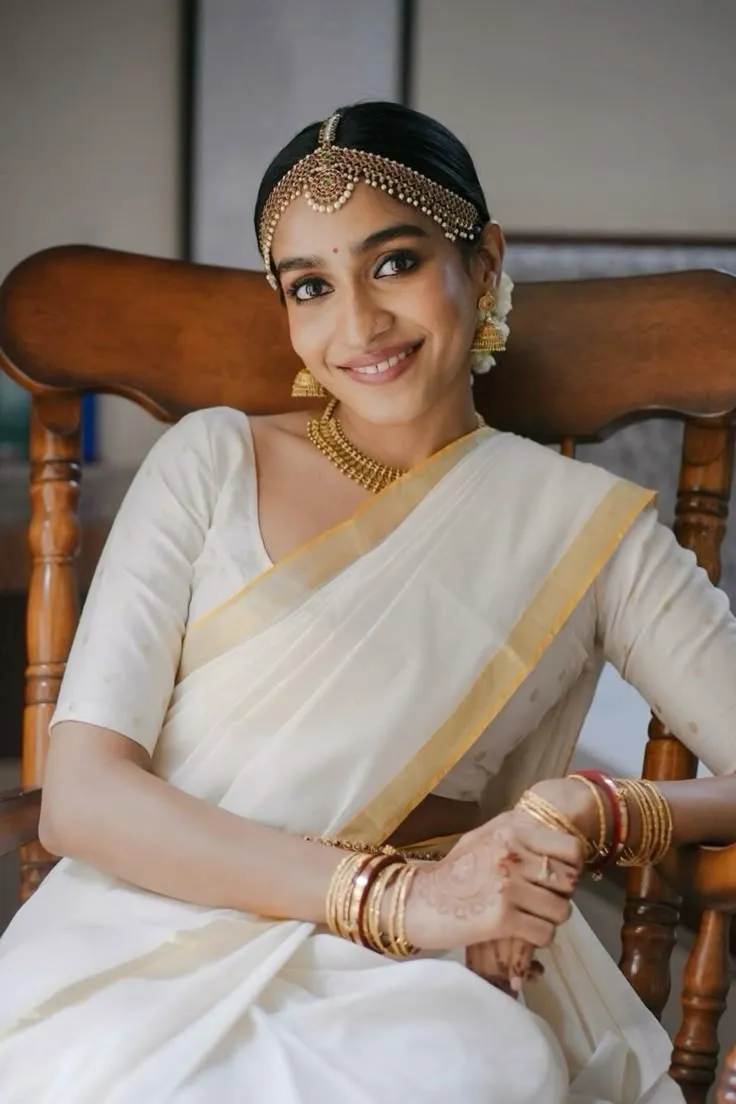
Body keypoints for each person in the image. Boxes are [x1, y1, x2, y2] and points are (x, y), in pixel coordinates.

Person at [0, 101, 735, 1104]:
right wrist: (396, 896)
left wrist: (590, 805)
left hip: (411, 977)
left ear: (482, 263)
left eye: (394, 263)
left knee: (480, 1069)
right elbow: (83, 796)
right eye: (311, 286)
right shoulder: (210, 460)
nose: (357, 325)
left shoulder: (587, 531)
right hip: (150, 927)